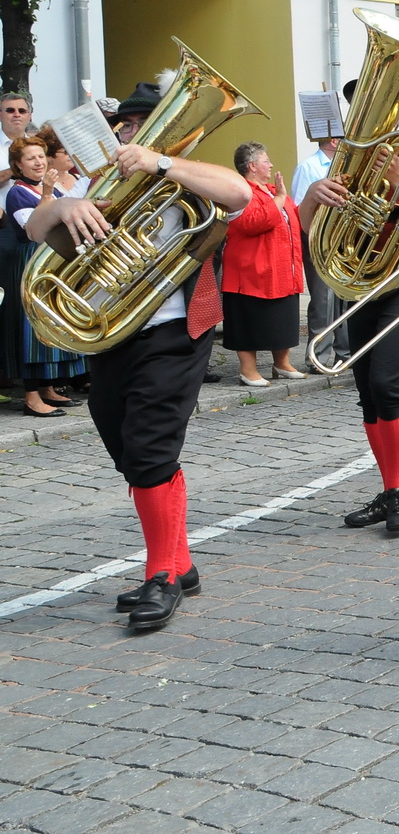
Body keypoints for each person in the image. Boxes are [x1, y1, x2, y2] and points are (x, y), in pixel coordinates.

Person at [27, 78, 253, 630]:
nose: (127, 131)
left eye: (136, 124)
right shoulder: (95, 178)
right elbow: (35, 228)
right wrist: (66, 206)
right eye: (123, 124)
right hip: (110, 331)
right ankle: (181, 562)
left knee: (149, 448)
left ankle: (162, 577)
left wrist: (158, 162)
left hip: (173, 330)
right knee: (126, 447)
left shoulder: (181, 173)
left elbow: (240, 194)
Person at [301, 83, 399, 537]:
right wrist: (314, 197)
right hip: (357, 282)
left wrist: (398, 182)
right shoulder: (339, 162)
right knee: (367, 390)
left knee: (386, 380)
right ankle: (388, 489)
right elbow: (303, 227)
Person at [3, 135, 87, 415]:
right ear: (18, 164)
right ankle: (31, 396)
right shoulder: (19, 192)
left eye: (40, 156)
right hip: (30, 263)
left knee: (51, 327)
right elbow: (34, 229)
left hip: (54, 263)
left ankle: (49, 388)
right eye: (30, 158)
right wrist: (49, 194)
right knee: (30, 329)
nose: (38, 162)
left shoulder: (51, 189)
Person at [222, 142, 306, 387]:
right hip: (250, 272)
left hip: (281, 269)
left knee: (283, 318)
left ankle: (282, 363)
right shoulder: (241, 191)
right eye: (266, 161)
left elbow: (293, 217)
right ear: (252, 166)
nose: (270, 165)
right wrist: (280, 197)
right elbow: (256, 222)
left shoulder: (270, 190)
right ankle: (248, 370)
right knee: (249, 321)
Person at [291, 135, 348, 370]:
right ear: (334, 141)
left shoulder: (345, 166)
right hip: (318, 240)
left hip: (343, 239)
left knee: (345, 298)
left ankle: (345, 353)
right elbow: (298, 206)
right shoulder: (308, 166)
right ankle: (318, 356)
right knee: (323, 301)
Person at [0, 90, 34, 195]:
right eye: (10, 111)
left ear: (29, 116)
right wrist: (14, 170)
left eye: (22, 111)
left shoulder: (37, 146)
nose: (17, 115)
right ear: (0, 115)